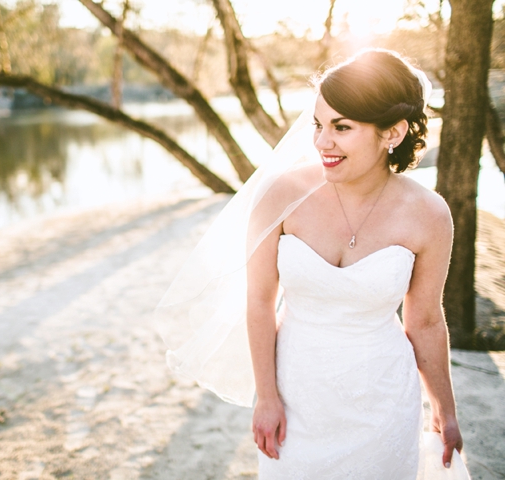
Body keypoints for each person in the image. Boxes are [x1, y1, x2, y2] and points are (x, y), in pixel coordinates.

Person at [156, 49, 469, 479]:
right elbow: (260, 303)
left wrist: (445, 410)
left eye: (342, 128)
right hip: (295, 394)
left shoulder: (429, 215)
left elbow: (427, 321)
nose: (323, 142)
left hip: (382, 398)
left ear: (392, 133)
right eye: (319, 125)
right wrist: (266, 397)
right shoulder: (280, 196)